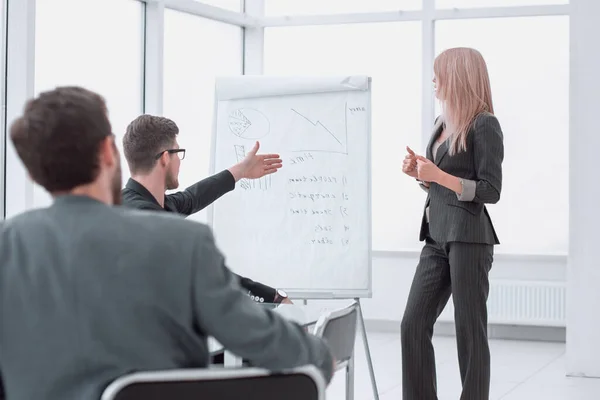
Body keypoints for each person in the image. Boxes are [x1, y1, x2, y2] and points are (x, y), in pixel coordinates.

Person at [0, 86, 334, 400]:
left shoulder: (8, 245)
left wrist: (237, 172)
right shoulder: (180, 242)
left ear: (32, 171)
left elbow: (186, 199)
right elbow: (270, 343)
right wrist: (320, 353)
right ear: (107, 152)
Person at [400, 47, 504, 400]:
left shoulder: (484, 124)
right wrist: (420, 175)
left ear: (458, 77)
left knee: (470, 334)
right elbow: (439, 182)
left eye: (438, 73)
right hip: (436, 236)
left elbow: (491, 190)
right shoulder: (440, 123)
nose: (433, 80)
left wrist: (439, 176)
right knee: (412, 325)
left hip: (469, 239)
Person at [121, 114, 291, 305]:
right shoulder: (146, 218)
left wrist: (241, 170)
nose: (180, 161)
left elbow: (193, 197)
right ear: (165, 158)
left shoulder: (142, 204)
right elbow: (207, 274)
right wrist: (274, 298)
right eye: (178, 152)